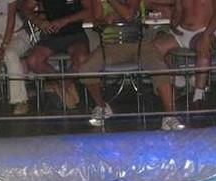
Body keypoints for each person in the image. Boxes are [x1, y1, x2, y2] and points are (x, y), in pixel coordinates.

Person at [79, 0, 188, 130]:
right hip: (110, 47)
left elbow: (129, 15)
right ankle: (101, 106)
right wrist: (104, 20)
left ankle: (170, 116)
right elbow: (95, 21)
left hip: (141, 46)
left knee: (159, 67)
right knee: (86, 69)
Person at [151, 0, 216, 111]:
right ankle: (177, 78)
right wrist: (173, 25)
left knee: (203, 48)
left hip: (203, 31)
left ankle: (198, 96)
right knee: (154, 48)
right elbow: (179, 10)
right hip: (181, 31)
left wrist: (207, 34)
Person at [21, 0, 92, 110]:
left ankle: (58, 86)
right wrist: (38, 21)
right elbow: (25, 7)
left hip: (75, 34)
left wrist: (66, 20)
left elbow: (90, 10)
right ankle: (64, 86)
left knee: (82, 59)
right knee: (33, 61)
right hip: (51, 35)